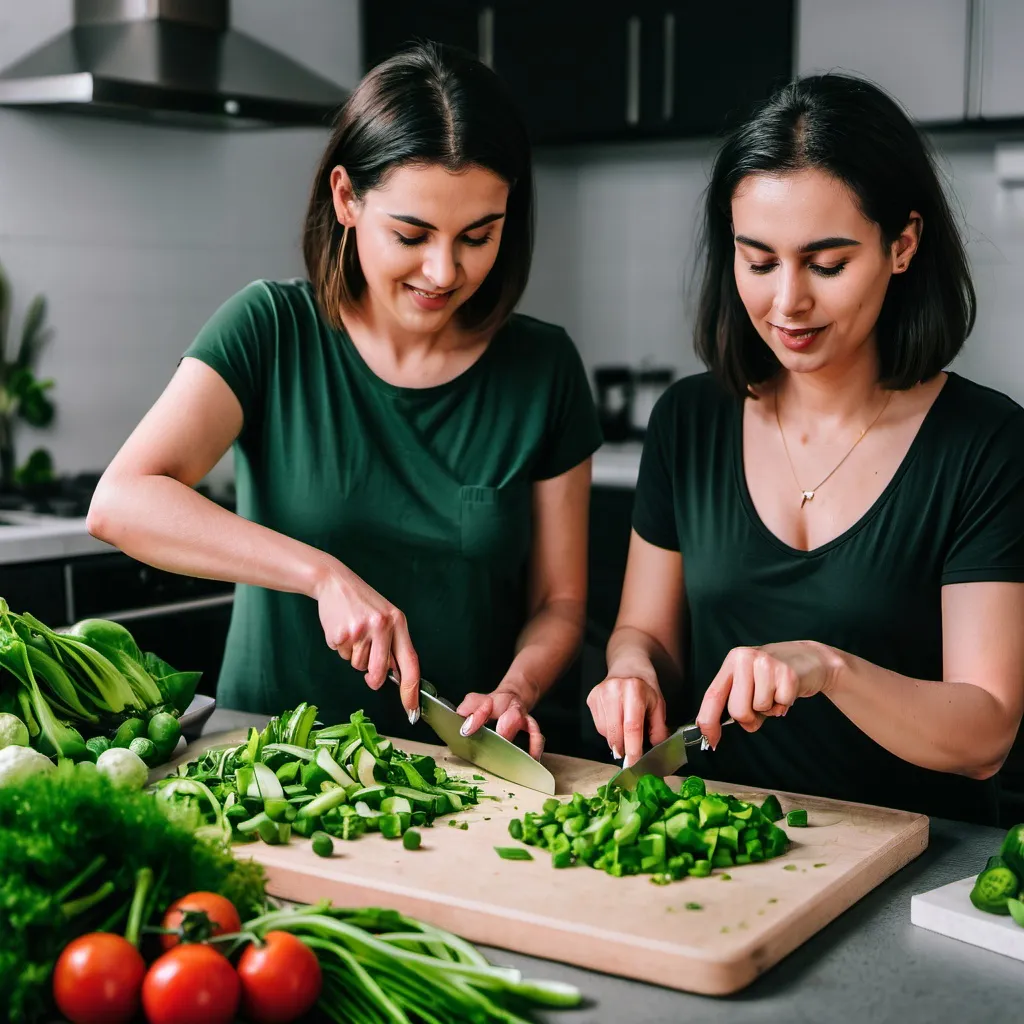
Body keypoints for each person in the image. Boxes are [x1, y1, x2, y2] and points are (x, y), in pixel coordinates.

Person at [87, 42, 602, 756]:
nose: (444, 270)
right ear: (346, 199)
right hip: (269, 766)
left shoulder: (544, 369)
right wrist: (320, 575)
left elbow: (561, 603)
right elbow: (120, 501)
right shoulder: (269, 329)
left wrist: (517, 688)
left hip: (461, 775)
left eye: (478, 236)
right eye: (411, 234)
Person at [587, 73, 1024, 824]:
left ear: (903, 245)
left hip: (912, 867)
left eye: (827, 264)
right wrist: (630, 672)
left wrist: (827, 668)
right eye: (757, 261)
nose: (787, 301)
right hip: (727, 844)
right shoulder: (690, 420)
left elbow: (985, 732)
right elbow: (644, 634)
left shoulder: (985, 444)